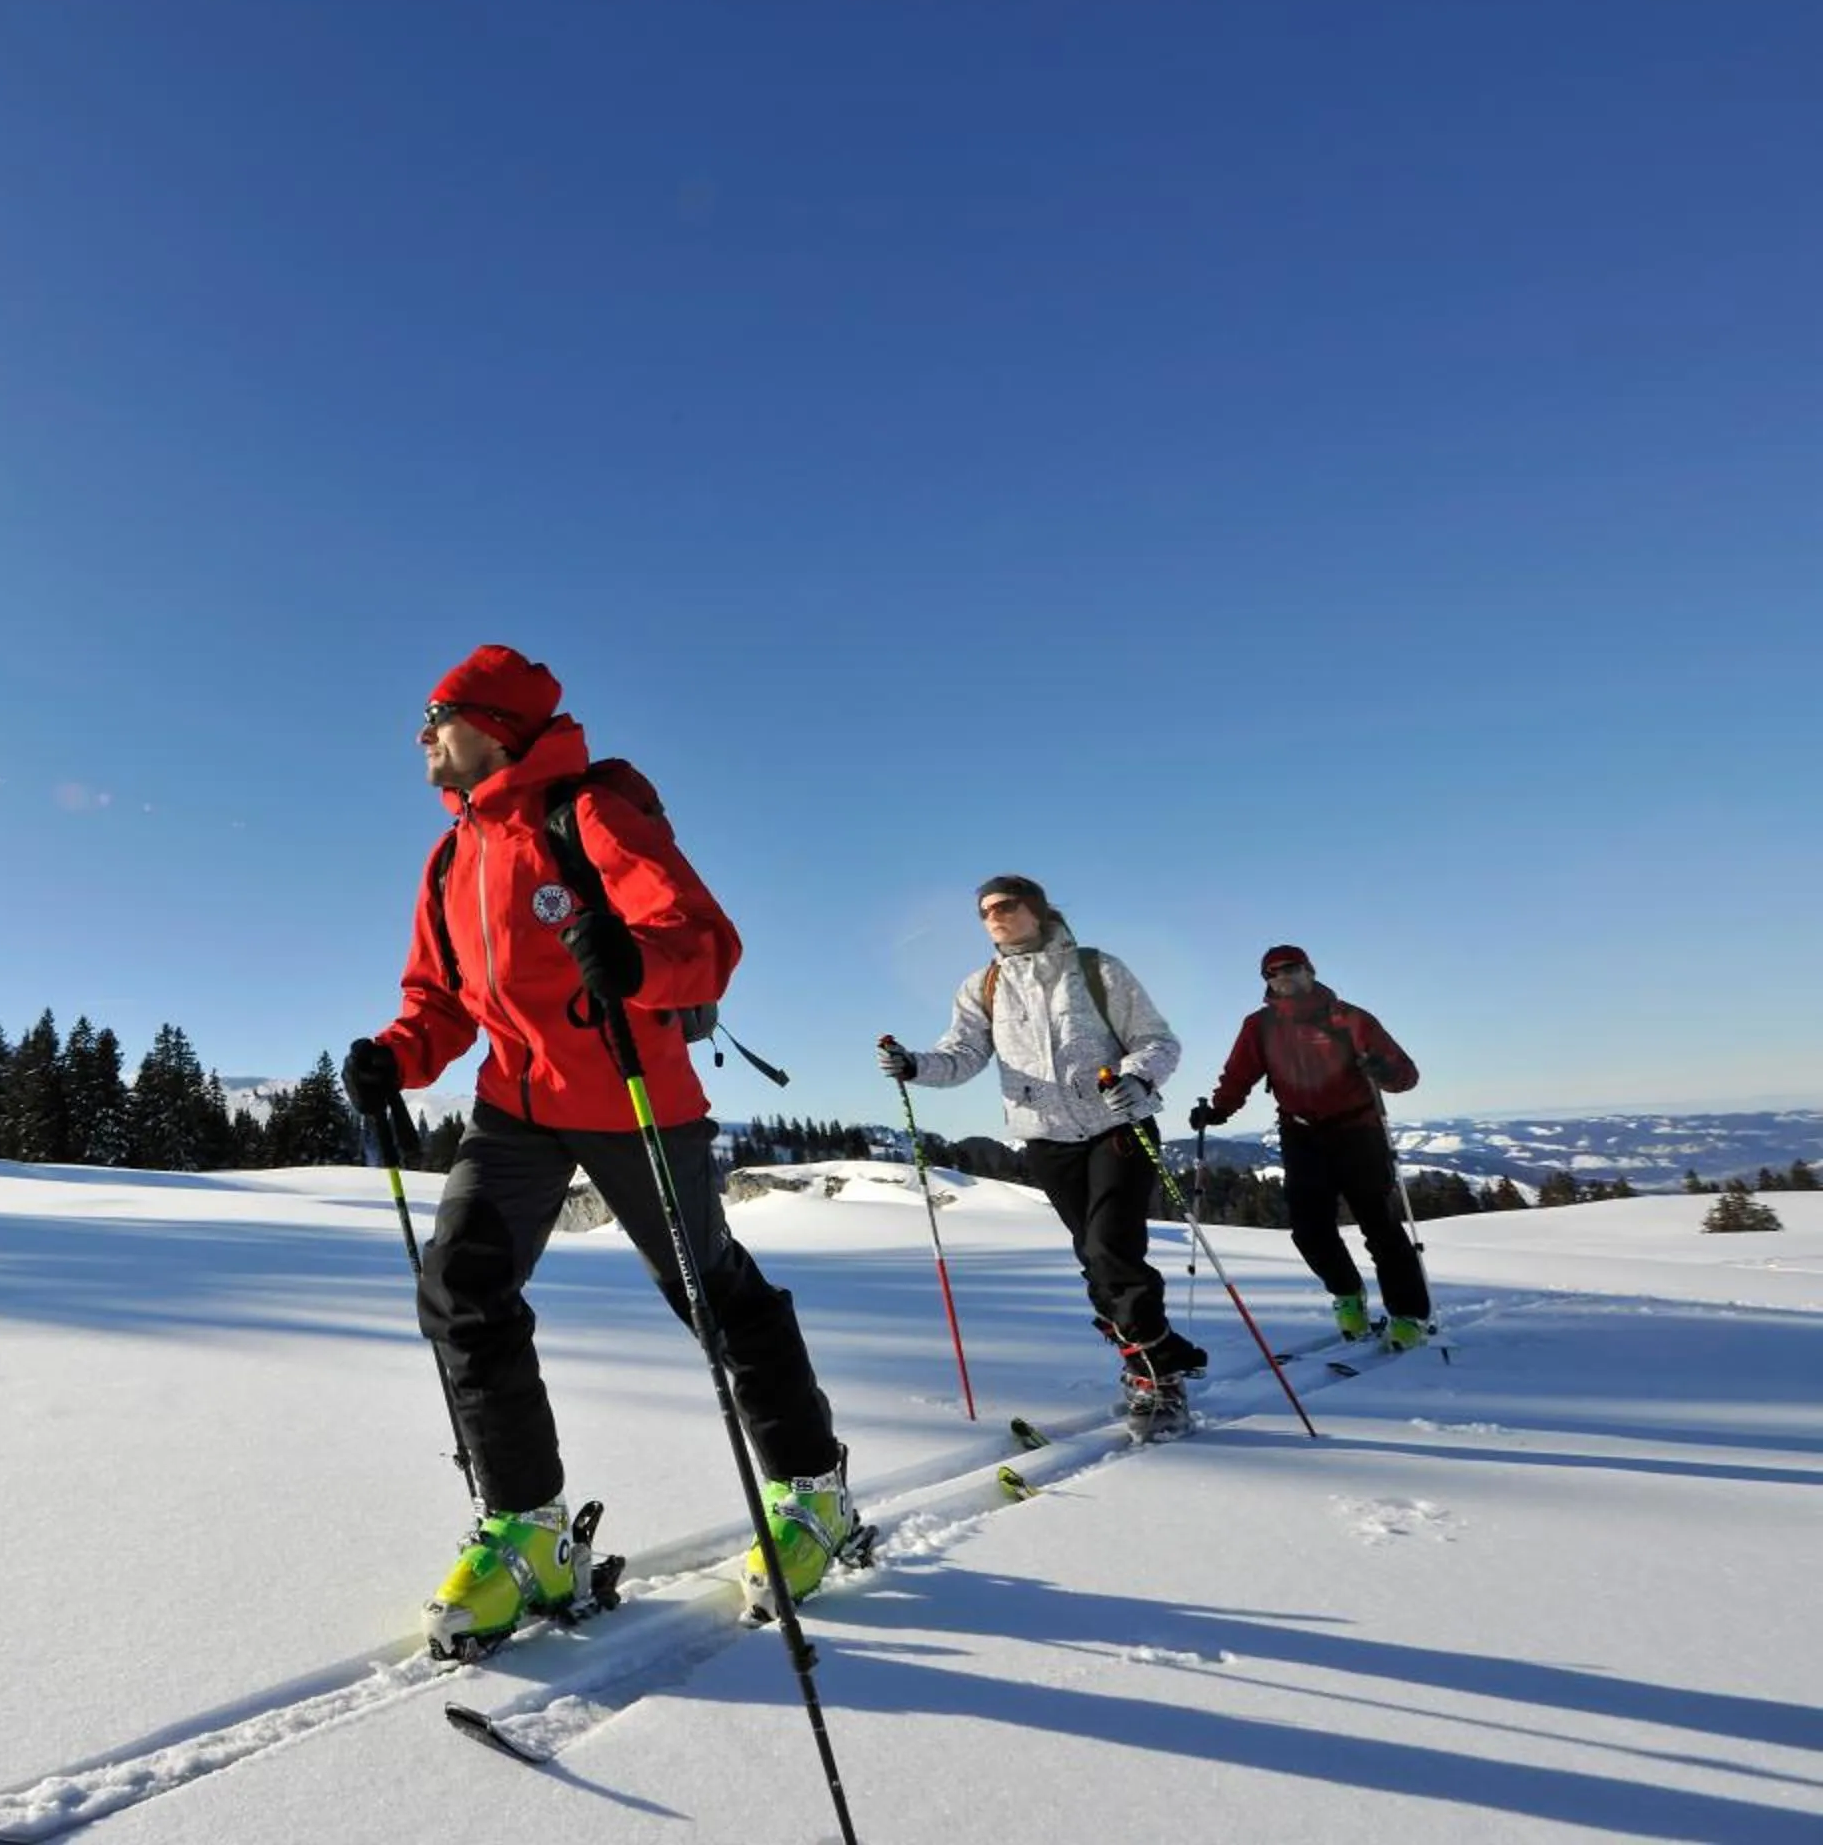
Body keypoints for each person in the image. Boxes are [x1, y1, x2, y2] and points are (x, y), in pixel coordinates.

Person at [342, 644, 860, 1659]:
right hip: (515, 1102)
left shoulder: (586, 812)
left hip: (635, 1093)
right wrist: (391, 1056)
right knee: (460, 1284)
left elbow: (703, 938)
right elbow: (438, 998)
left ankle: (814, 1493)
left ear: (491, 722)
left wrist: (636, 960)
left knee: (711, 1291)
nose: (422, 739)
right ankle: (528, 1528)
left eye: (435, 717)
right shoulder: (450, 856)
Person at [879, 876, 1203, 1417]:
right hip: (1046, 1136)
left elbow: (1157, 1041)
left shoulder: (1098, 969)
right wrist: (914, 1065)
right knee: (1092, 1256)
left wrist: (1138, 1078)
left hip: (1117, 1125)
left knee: (1111, 1249)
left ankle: (1158, 1378)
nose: (994, 917)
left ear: (1035, 908)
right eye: (984, 912)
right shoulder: (982, 986)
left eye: (1004, 905)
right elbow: (961, 1054)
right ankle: (1152, 1351)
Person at [1188, 945, 1431, 1348]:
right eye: (1271, 973)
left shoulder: (1349, 1019)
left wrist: (1385, 1072)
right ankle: (1348, 1295)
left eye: (1290, 968)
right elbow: (1238, 1075)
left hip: (1357, 1132)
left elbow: (1406, 1074)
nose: (1281, 977)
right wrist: (1218, 1111)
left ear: (1310, 970)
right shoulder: (1259, 1026)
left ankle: (1408, 1316)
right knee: (1309, 1231)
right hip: (1301, 1135)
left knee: (1381, 1228)